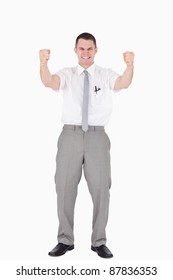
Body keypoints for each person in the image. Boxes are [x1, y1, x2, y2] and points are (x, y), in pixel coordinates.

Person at [39, 32, 134, 258]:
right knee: (64, 187)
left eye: (89, 49)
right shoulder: (68, 74)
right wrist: (43, 64)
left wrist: (130, 66)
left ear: (96, 50)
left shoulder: (104, 74)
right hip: (69, 135)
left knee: (101, 189)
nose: (85, 53)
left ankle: (99, 241)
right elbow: (48, 81)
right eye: (81, 49)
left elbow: (123, 83)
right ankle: (65, 239)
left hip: (97, 137)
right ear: (75, 50)